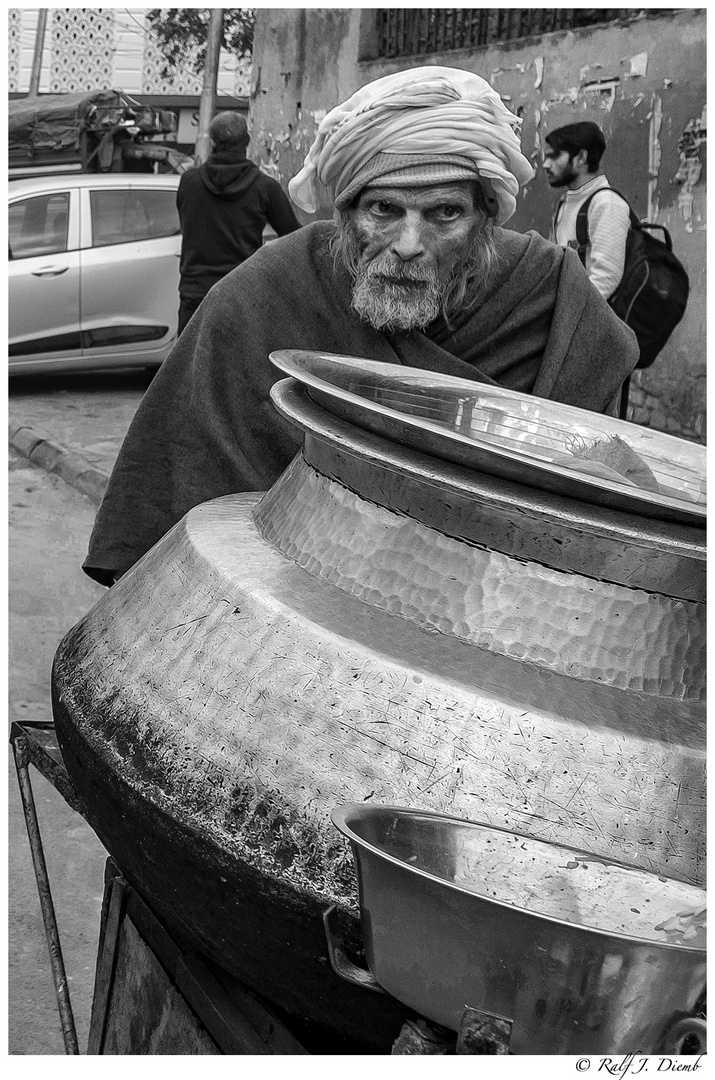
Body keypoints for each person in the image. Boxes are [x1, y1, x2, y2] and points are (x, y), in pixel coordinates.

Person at [84, 66, 638, 586]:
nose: (408, 245)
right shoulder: (264, 296)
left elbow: (601, 510)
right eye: (383, 210)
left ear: (484, 221)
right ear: (344, 214)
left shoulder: (549, 297)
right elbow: (180, 490)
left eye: (445, 214)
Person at [176, 111, 300, 333]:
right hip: (242, 292)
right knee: (241, 366)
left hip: (195, 294)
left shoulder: (189, 182)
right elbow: (294, 239)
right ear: (247, 141)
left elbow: (187, 225)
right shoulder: (264, 187)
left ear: (212, 142)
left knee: (192, 366)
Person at [543, 121, 631, 301]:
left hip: (595, 321)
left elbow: (607, 277)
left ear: (581, 157)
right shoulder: (567, 201)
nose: (545, 164)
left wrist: (568, 315)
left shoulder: (606, 203)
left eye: (554, 156)